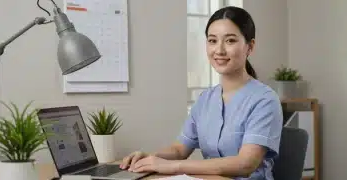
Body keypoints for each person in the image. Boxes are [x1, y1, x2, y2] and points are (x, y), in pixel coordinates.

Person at [120, 6, 283, 179]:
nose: (219, 50)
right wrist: (150, 158)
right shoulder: (206, 99)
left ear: (250, 47)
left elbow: (245, 164)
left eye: (230, 41)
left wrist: (172, 167)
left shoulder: (264, 100)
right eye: (212, 41)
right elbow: (179, 149)